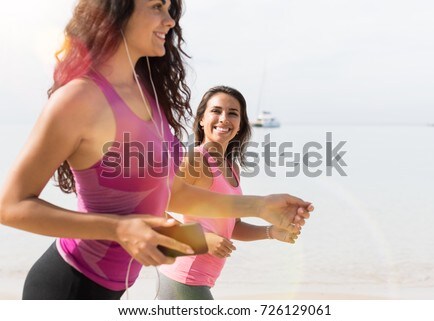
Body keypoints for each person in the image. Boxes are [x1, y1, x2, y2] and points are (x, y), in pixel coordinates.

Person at [0, 0, 313, 300]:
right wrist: (120, 229)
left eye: (169, 8)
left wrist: (259, 207)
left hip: (113, 290)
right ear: (117, 9)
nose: (170, 20)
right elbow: (11, 206)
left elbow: (176, 193)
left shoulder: (149, 96)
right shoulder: (80, 97)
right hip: (67, 287)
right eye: (156, 7)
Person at [158, 86, 302, 299]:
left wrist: (271, 232)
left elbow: (233, 226)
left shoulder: (231, 168)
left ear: (240, 125)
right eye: (216, 111)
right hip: (184, 274)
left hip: (201, 278)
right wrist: (201, 239)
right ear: (201, 119)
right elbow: (153, 207)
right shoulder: (195, 159)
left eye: (233, 113)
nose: (224, 118)